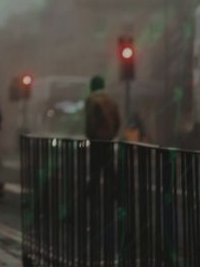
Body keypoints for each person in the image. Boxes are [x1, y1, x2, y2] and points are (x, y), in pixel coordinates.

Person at [84, 75, 120, 260]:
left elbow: (89, 121)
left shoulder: (91, 100)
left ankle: (93, 192)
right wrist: (112, 134)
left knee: (96, 167)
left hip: (96, 138)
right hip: (108, 138)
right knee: (108, 165)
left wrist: (90, 135)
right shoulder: (111, 100)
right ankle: (115, 190)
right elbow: (118, 119)